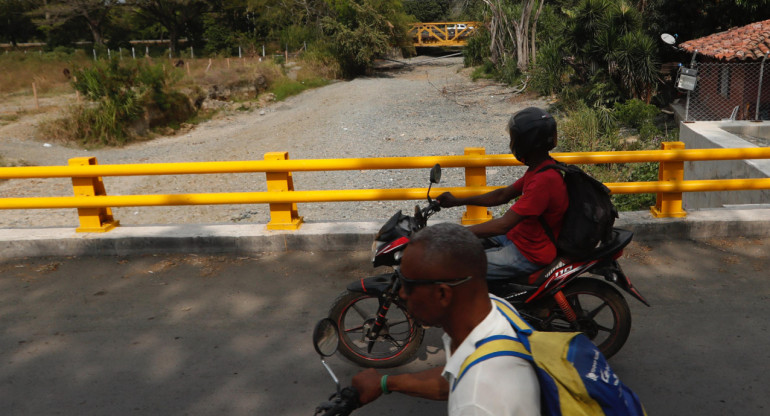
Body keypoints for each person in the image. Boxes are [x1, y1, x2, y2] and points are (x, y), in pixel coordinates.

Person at [351, 222, 540, 416]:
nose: (402, 294)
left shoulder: (475, 403)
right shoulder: (495, 310)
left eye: (408, 285)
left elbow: (469, 384)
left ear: (443, 294)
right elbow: (451, 378)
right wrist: (385, 383)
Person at [437, 107, 568, 279]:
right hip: (516, 237)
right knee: (457, 248)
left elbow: (503, 224)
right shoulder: (541, 168)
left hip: (528, 253)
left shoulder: (544, 180)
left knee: (456, 266)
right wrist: (457, 201)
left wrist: (457, 232)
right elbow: (502, 195)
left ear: (526, 142)